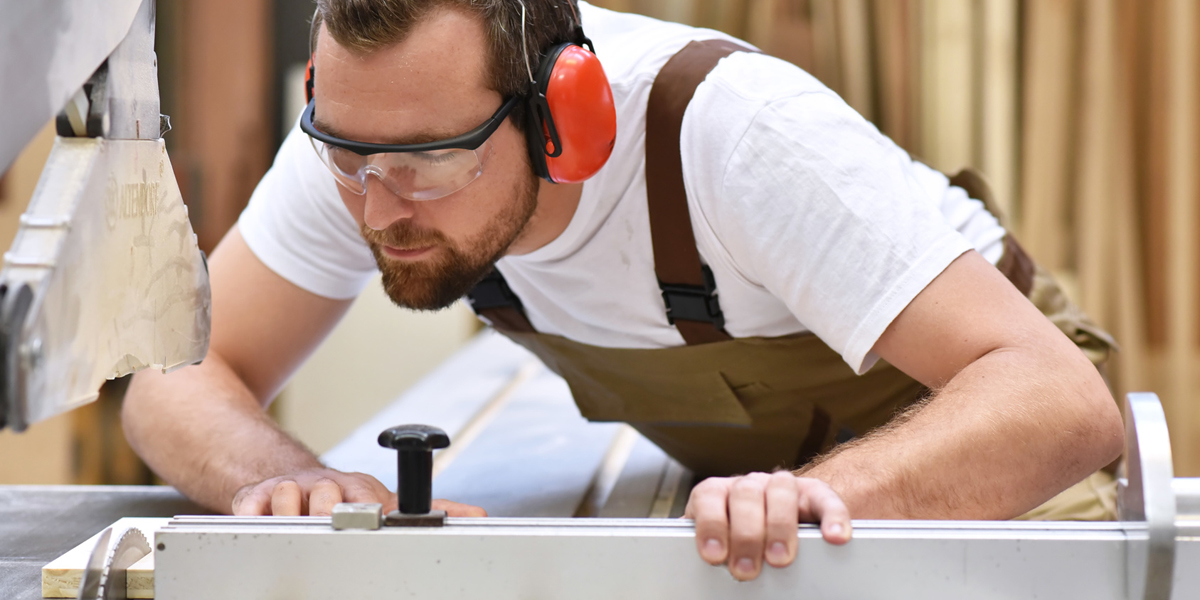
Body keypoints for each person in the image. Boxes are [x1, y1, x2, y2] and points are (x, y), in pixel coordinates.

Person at [122, 0, 1124, 582]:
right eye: (349, 158)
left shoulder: (737, 136)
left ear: (568, 119)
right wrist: (294, 482)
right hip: (756, 487)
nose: (380, 209)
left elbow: (1058, 402)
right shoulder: (371, 134)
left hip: (978, 420)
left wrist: (827, 494)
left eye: (430, 167)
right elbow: (172, 376)